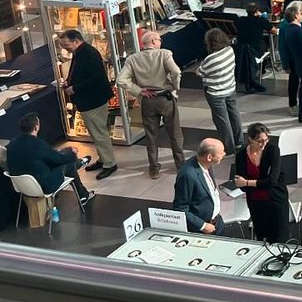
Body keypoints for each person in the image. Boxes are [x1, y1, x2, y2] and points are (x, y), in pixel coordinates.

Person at [116, 30, 183, 178]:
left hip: (147, 101)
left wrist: (139, 91)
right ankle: (180, 164)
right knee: (175, 134)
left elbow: (121, 80)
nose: (160, 42)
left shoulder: (132, 59)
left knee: (151, 136)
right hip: (165, 98)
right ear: (153, 42)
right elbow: (176, 72)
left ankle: (154, 168)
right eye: (159, 39)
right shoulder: (164, 54)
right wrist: (174, 86)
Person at [56, 30, 118, 180]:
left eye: (66, 45)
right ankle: (103, 159)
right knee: (96, 133)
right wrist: (69, 82)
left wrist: (75, 88)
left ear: (76, 40)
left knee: (99, 133)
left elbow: (96, 77)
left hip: (94, 100)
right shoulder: (79, 52)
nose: (65, 48)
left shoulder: (89, 53)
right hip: (88, 100)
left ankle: (110, 163)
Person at [7, 114, 94, 206]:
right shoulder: (38, 144)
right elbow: (57, 161)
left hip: (22, 186)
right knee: (68, 159)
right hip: (44, 185)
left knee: (63, 153)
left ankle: (79, 164)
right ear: (36, 127)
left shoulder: (12, 144)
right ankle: (83, 193)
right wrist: (73, 154)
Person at [234, 124, 290, 243]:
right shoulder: (241, 156)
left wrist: (247, 182)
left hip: (275, 199)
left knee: (280, 236)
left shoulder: (272, 150)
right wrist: (253, 184)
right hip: (256, 203)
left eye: (266, 140)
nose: (264, 144)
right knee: (262, 237)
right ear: (250, 139)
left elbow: (272, 181)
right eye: (259, 141)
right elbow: (241, 186)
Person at [198, 29, 243, 153]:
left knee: (222, 120)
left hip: (215, 93)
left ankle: (229, 147)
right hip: (230, 87)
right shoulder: (230, 50)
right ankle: (239, 141)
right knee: (234, 114)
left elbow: (200, 72)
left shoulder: (210, 59)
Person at [173, 138, 227, 234]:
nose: (224, 154)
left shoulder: (205, 164)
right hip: (203, 230)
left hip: (217, 222)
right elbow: (180, 208)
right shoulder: (187, 175)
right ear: (209, 157)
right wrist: (202, 225)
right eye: (221, 152)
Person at [234, 3, 272, 94]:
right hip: (255, 51)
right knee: (265, 45)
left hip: (241, 51)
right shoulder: (261, 20)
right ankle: (263, 69)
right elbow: (273, 30)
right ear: (257, 11)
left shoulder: (240, 20)